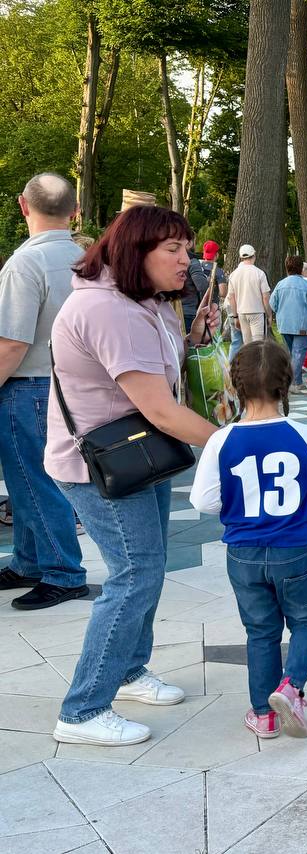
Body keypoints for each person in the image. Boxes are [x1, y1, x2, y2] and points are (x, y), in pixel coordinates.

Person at [47, 205, 220, 746]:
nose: (184, 261)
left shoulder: (138, 302)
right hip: (101, 464)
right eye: (173, 249)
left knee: (144, 568)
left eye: (187, 249)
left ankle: (126, 671)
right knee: (133, 574)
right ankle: (82, 710)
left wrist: (189, 336)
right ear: (135, 252)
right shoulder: (110, 311)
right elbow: (161, 409)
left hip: (138, 455)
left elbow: (153, 372)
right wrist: (233, 444)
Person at [190, 340, 307, 739]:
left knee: (261, 631)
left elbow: (202, 500)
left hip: (244, 552)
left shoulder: (222, 439)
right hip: (295, 548)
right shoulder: (304, 435)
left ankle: (263, 715)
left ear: (235, 387)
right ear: (285, 386)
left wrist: (238, 505)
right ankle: (291, 687)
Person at [0, 173, 88, 610]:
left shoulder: (24, 264)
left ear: (23, 206)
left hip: (27, 383)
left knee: (34, 482)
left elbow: (12, 343)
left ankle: (63, 571)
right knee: (32, 480)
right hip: (66, 384)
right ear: (74, 210)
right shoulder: (84, 258)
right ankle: (29, 560)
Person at [269, 255, 307, 391]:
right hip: (303, 324)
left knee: (292, 353)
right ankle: (294, 383)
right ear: (300, 268)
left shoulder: (281, 284)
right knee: (298, 354)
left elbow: (272, 304)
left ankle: (293, 380)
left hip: (285, 323)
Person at [228, 244, 273, 349]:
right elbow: (265, 297)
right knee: (259, 346)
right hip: (257, 312)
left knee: (247, 346)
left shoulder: (234, 274)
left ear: (241, 258)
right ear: (254, 256)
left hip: (241, 312)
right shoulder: (259, 273)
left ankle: (249, 365)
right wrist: (269, 314)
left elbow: (231, 297)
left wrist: (235, 316)